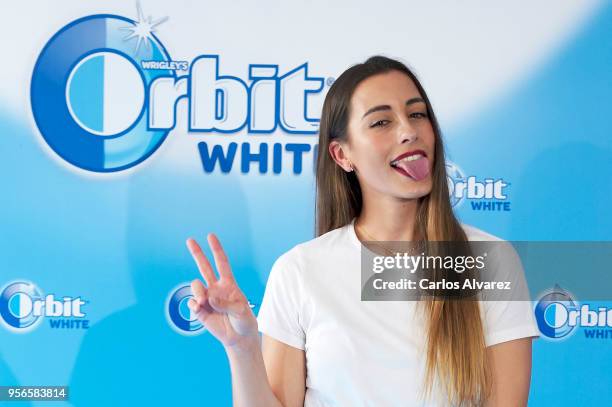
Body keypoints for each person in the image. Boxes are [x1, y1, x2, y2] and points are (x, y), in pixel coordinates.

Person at [186, 55, 539, 406]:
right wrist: (242, 348)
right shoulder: (300, 271)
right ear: (342, 155)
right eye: (382, 122)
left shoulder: (492, 263)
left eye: (417, 114)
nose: (409, 131)